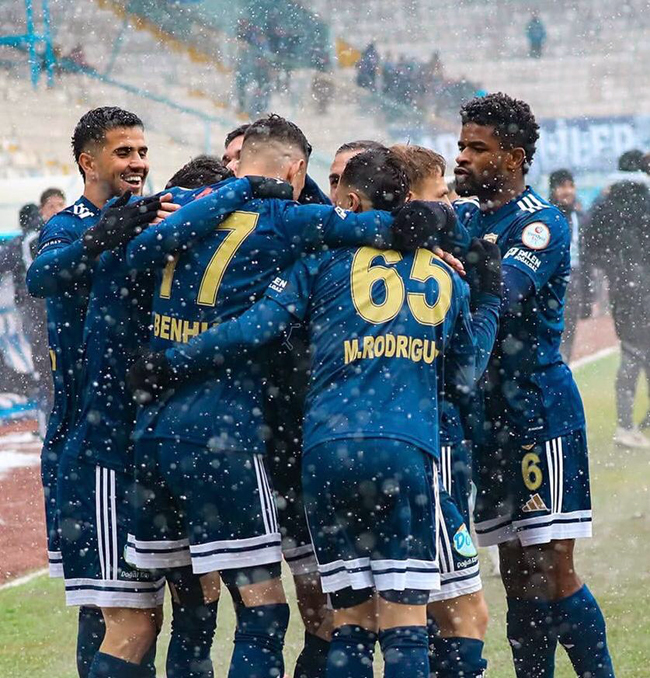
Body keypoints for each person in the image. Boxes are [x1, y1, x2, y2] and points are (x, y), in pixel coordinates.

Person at [124, 116, 464, 678]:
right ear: (296, 169)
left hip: (173, 433)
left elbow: (138, 259)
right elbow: (464, 366)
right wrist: (439, 223)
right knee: (350, 618)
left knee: (173, 612)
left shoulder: (180, 206)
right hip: (249, 436)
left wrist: (163, 363)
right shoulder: (299, 228)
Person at [455, 93, 615, 678]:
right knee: (515, 572)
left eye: (478, 148)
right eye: (461, 145)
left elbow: (503, 292)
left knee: (552, 566)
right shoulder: (466, 219)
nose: (463, 157)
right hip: (488, 418)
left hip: (538, 413)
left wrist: (452, 264)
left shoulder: (539, 222)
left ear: (514, 157)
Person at [26, 107, 161, 678]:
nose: (138, 163)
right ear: (88, 161)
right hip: (92, 440)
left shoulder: (154, 217)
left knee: (141, 610)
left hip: (144, 437)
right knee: (113, 611)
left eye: (142, 152)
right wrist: (103, 237)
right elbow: (41, 276)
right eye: (123, 152)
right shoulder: (69, 226)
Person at [392, 143, 494, 677]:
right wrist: (490, 298)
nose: (450, 203)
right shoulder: (435, 275)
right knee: (460, 611)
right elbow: (465, 371)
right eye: (441, 195)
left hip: (332, 451)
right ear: (415, 201)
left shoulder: (329, 256)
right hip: (423, 446)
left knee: (357, 617)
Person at [587, 150, 650, 449]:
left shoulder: (605, 203)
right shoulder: (645, 200)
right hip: (643, 287)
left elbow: (590, 243)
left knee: (632, 351)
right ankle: (626, 427)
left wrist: (613, 269)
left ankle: (627, 424)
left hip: (621, 289)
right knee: (639, 352)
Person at [549, 169, 591, 363]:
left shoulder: (580, 218)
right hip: (550, 288)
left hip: (573, 286)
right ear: (553, 189)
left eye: (571, 186)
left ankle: (563, 369)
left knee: (567, 341)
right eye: (562, 186)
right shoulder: (545, 216)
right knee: (549, 341)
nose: (568, 191)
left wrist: (588, 296)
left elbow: (587, 259)